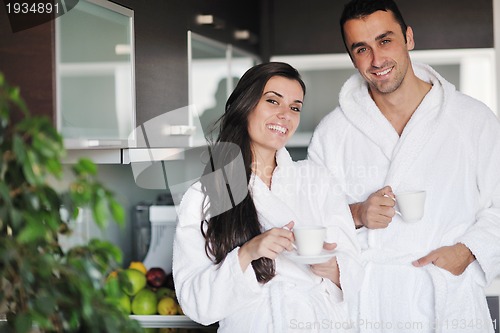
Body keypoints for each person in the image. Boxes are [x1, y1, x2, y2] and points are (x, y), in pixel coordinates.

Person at [308, 0, 500, 332]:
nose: (377, 59)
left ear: (408, 37)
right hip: (370, 304)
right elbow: (311, 223)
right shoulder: (332, 133)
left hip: (447, 300)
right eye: (361, 49)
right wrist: (357, 213)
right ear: (352, 57)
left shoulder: (472, 119)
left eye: (385, 41)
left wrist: (467, 252)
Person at [173, 62, 362, 332]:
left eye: (295, 107)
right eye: (273, 101)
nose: (285, 115)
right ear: (245, 106)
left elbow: (355, 271)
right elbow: (197, 305)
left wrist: (331, 267)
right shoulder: (203, 196)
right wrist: (248, 252)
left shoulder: (317, 181)